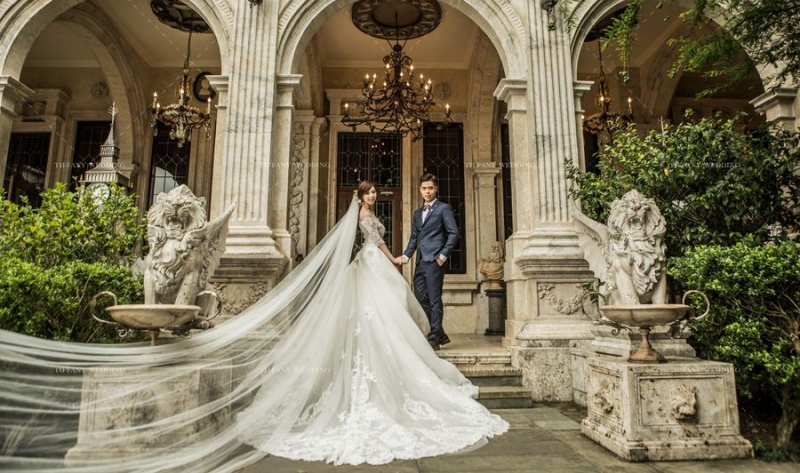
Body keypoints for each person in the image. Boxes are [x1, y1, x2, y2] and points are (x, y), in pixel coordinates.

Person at [0, 181, 506, 471]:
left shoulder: (410, 214)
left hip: (384, 266)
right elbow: (364, 243)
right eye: (372, 193)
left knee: (396, 319)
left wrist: (403, 256)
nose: (375, 197)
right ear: (363, 197)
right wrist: (390, 255)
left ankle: (427, 342)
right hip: (371, 268)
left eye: (376, 193)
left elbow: (395, 241)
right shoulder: (360, 220)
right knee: (373, 325)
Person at [397, 173, 459, 350]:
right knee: (420, 298)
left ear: (436, 189)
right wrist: (406, 256)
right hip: (420, 261)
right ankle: (439, 333)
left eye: (430, 188)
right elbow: (414, 237)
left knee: (434, 299)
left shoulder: (444, 209)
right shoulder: (417, 213)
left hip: (435, 261)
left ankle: (434, 338)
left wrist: (442, 256)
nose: (427, 191)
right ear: (420, 190)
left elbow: (454, 233)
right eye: (424, 188)